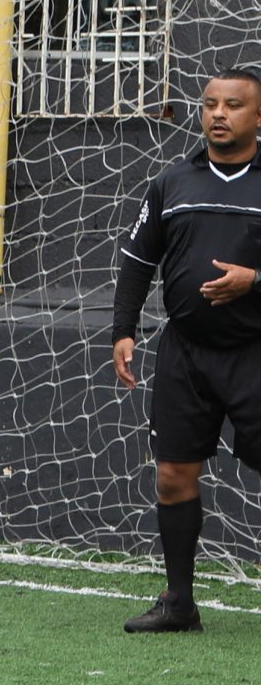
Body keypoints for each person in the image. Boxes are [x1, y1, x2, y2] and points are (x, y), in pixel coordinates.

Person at [112, 67, 261, 633]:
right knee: (173, 474)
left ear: (258, 117)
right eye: (209, 105)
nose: (218, 114)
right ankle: (180, 603)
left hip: (254, 351)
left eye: (233, 105)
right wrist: (123, 329)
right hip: (185, 352)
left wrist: (255, 280)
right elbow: (137, 261)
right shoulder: (172, 183)